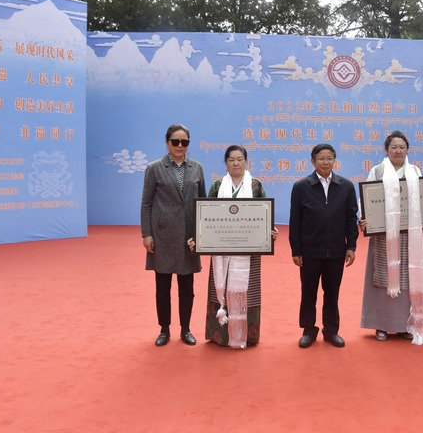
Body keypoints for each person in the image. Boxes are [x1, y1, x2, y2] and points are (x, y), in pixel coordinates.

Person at [359, 131, 423, 345]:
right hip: (383, 235)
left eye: (402, 147)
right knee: (382, 277)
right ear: (386, 150)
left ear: (407, 150)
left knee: (407, 277)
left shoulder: (415, 171)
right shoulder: (377, 171)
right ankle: (381, 325)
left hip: (409, 234)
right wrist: (364, 218)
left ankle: (405, 325)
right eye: (394, 147)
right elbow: (366, 200)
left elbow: (422, 198)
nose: (398, 151)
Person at [202, 145, 278, 349]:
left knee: (248, 291)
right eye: (231, 159)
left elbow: (264, 216)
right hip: (222, 251)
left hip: (248, 251)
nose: (236, 163)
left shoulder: (255, 185)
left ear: (246, 161)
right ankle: (220, 335)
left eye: (240, 159)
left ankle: (248, 335)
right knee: (220, 289)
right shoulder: (218, 186)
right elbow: (207, 216)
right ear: (225, 162)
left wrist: (269, 232)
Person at [141, 123, 206, 347]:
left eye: (184, 142)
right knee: (163, 287)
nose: (180, 145)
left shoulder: (197, 168)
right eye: (175, 141)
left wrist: (201, 235)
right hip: (163, 235)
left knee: (187, 288)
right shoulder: (154, 168)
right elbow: (146, 203)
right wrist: (147, 233)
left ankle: (186, 329)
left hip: (189, 237)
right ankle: (164, 329)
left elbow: (203, 204)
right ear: (167, 143)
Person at [289, 143, 359, 348]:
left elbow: (351, 218)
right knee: (308, 293)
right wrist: (296, 250)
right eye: (321, 158)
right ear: (313, 161)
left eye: (330, 158)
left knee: (332, 293)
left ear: (335, 161)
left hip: (336, 250)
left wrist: (351, 246)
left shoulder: (346, 186)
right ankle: (308, 330)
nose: (326, 162)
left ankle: (331, 331)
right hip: (309, 251)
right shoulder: (301, 186)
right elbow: (295, 221)